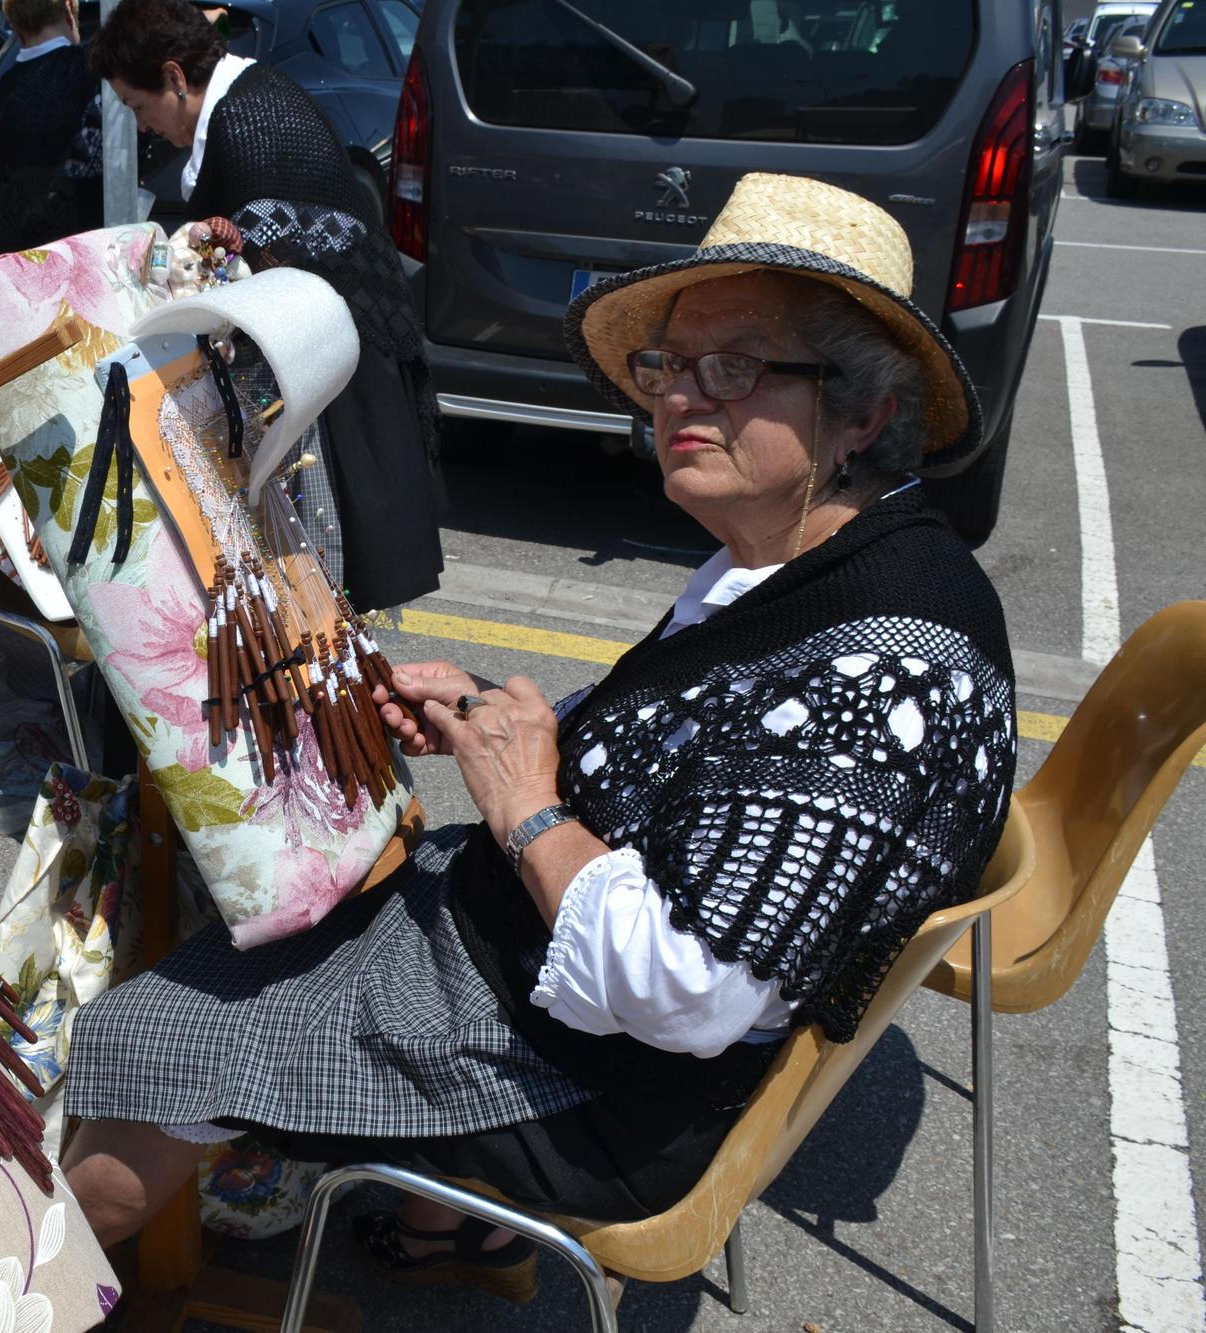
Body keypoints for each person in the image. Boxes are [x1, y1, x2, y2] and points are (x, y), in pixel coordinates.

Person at [58, 174, 1019, 1296]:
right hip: (552, 989)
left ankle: (13, 1292)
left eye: (735, 369)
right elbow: (685, 748)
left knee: (155, 1040)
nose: (676, 401)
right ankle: (443, 1227)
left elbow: (687, 987)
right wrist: (482, 714)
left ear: (861, 410)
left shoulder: (883, 664)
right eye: (666, 367)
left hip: (601, 1088)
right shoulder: (797, 553)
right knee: (283, 912)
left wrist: (522, 799)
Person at [86, 0, 441, 611]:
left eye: (137, 106)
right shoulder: (244, 102)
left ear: (174, 77)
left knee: (317, 578)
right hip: (324, 355)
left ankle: (323, 688)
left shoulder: (251, 121)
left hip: (331, 371)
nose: (141, 125)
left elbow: (270, 277)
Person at [0, 0, 102, 261]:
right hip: (84, 241)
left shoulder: (6, 86)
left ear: (14, 23)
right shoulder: (92, 69)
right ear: (69, 9)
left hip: (17, 242)